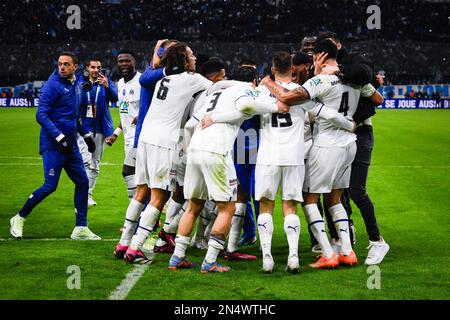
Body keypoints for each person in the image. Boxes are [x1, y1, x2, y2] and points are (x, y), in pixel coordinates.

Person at [261, 39, 384, 268]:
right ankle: (347, 251)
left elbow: (287, 97)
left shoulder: (320, 80)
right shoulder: (354, 78)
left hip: (327, 145)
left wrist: (268, 82)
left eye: (313, 55)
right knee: (335, 199)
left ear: (320, 55)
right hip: (350, 144)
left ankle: (328, 253)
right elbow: (378, 99)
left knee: (309, 200)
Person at [168, 66, 282, 273]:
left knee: (194, 205)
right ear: (253, 81)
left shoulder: (216, 94)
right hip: (216, 151)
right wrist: (276, 107)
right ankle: (210, 260)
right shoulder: (245, 89)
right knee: (228, 207)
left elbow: (190, 126)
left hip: (195, 149)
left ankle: (177, 257)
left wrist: (189, 150)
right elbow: (247, 104)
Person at [120, 42, 212, 264]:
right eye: (191, 55)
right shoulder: (193, 79)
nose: (195, 58)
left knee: (141, 191)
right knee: (159, 196)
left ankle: (123, 243)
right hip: (164, 142)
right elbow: (217, 87)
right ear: (183, 59)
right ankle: (135, 248)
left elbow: (147, 76)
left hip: (145, 139)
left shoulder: (161, 77)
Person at [317, 31, 390, 265]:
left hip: (359, 134)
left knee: (356, 190)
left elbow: (376, 98)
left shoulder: (352, 70)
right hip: (338, 137)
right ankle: (342, 239)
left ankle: (377, 241)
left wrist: (355, 120)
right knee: (336, 192)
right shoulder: (325, 76)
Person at [10, 52, 100, 240]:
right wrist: (59, 137)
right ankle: (19, 218)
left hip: (71, 145)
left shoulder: (75, 84)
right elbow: (40, 115)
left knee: (83, 182)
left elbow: (74, 115)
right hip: (53, 144)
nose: (62, 67)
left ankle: (80, 228)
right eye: (60, 64)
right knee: (50, 185)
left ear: (75, 67)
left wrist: (86, 135)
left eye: (66, 64)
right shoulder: (52, 85)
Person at [78, 57, 117, 207]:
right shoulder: (80, 82)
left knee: (95, 164)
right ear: (87, 68)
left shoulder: (105, 82)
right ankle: (82, 194)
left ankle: (88, 195)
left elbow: (115, 98)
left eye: (98, 67)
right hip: (84, 129)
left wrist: (107, 86)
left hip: (100, 130)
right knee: (86, 161)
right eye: (92, 67)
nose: (95, 70)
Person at [105, 50, 142, 202]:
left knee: (128, 172)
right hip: (127, 138)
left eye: (127, 60)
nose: (124, 64)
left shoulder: (142, 81)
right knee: (138, 178)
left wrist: (143, 115)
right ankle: (143, 216)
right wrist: (115, 134)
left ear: (134, 62)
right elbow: (125, 113)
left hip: (141, 137)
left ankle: (136, 216)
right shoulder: (120, 84)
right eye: (121, 61)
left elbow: (155, 106)